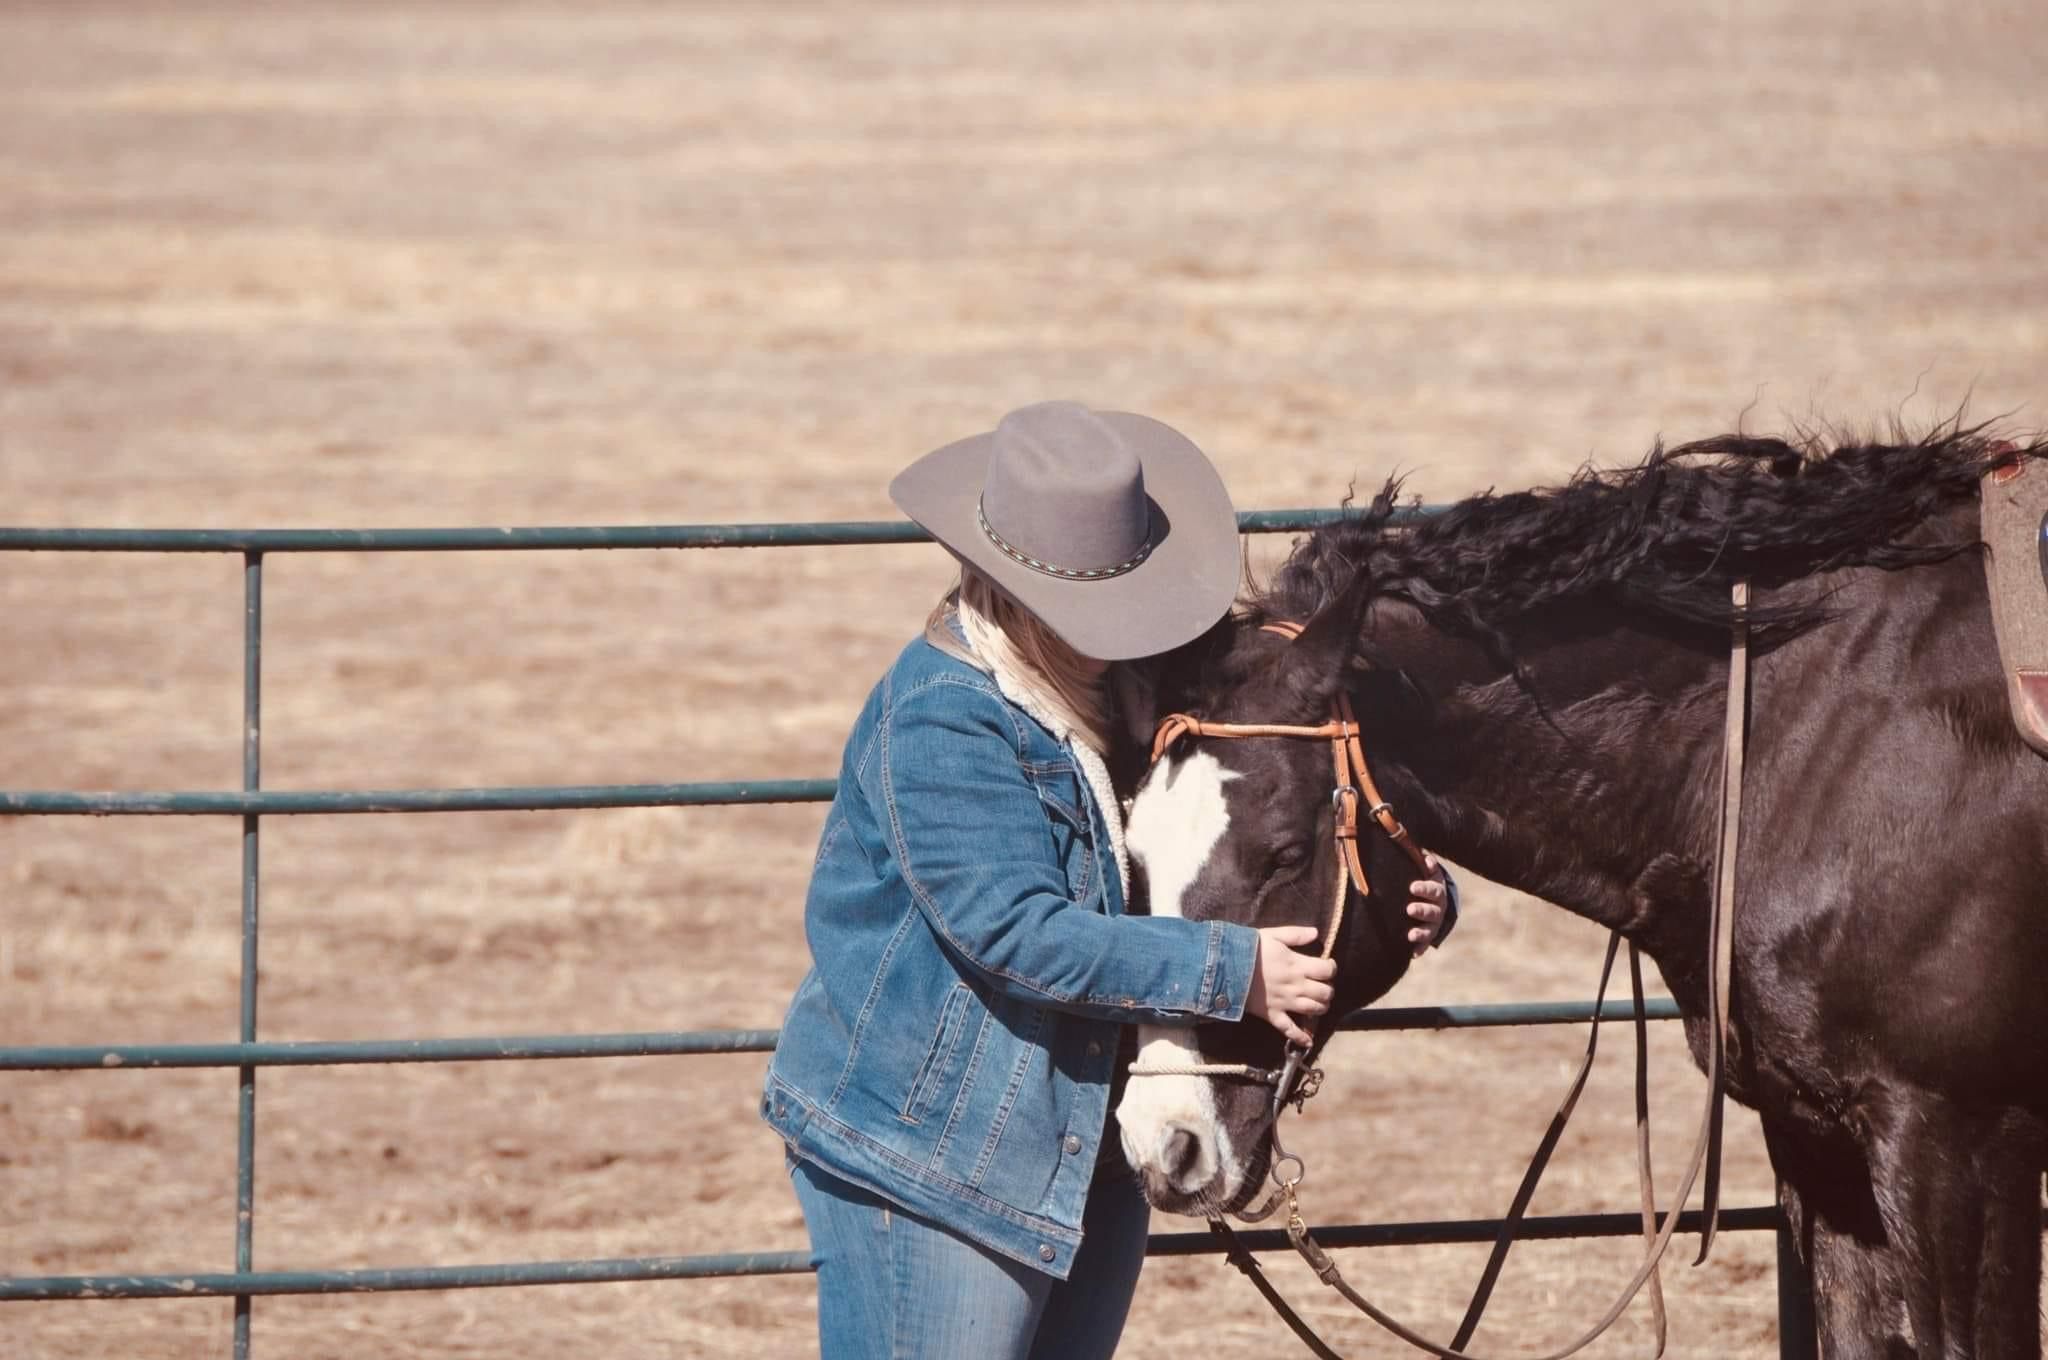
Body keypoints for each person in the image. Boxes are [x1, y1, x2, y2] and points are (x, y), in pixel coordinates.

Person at [761, 401, 1453, 1360]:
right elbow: (1012, 931)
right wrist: (1230, 971)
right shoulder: (943, 718)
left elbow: (1255, 831)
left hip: (1082, 1140)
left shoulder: (1139, 690)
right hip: (935, 1156)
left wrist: (1399, 889)